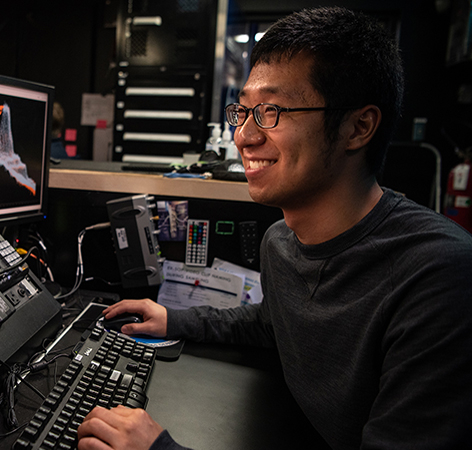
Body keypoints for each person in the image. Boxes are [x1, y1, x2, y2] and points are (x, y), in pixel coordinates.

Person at [77, 6, 472, 450]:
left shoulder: (440, 275)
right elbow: (273, 324)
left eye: (271, 111)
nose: (244, 136)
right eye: (243, 111)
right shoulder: (281, 241)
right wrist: (173, 318)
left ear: (358, 127)